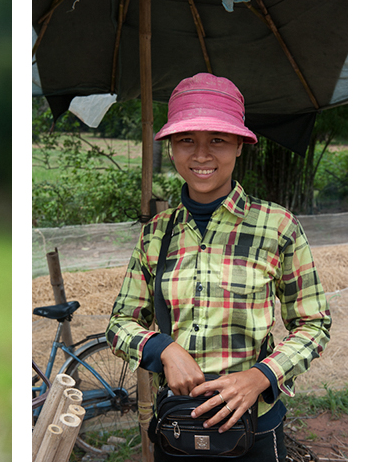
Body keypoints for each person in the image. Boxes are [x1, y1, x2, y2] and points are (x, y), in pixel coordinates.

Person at [105, 73, 331, 461]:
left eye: (218, 140)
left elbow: (313, 323)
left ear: (241, 145)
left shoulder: (276, 226)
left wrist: (259, 377)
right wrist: (163, 349)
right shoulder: (157, 233)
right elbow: (119, 323)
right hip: (178, 423)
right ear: (172, 147)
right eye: (187, 140)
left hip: (255, 426)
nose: (202, 155)